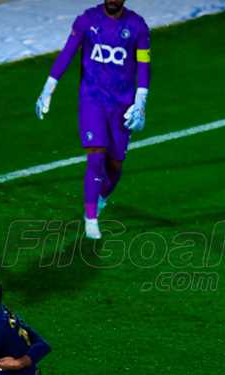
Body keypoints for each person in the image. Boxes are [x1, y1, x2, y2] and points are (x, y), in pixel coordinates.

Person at [35, 0, 151, 239]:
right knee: (96, 155)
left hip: (122, 104)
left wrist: (140, 102)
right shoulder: (87, 20)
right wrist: (48, 88)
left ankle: (100, 199)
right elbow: (67, 53)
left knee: (115, 165)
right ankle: (91, 219)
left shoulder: (138, 26)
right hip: (92, 101)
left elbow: (143, 65)